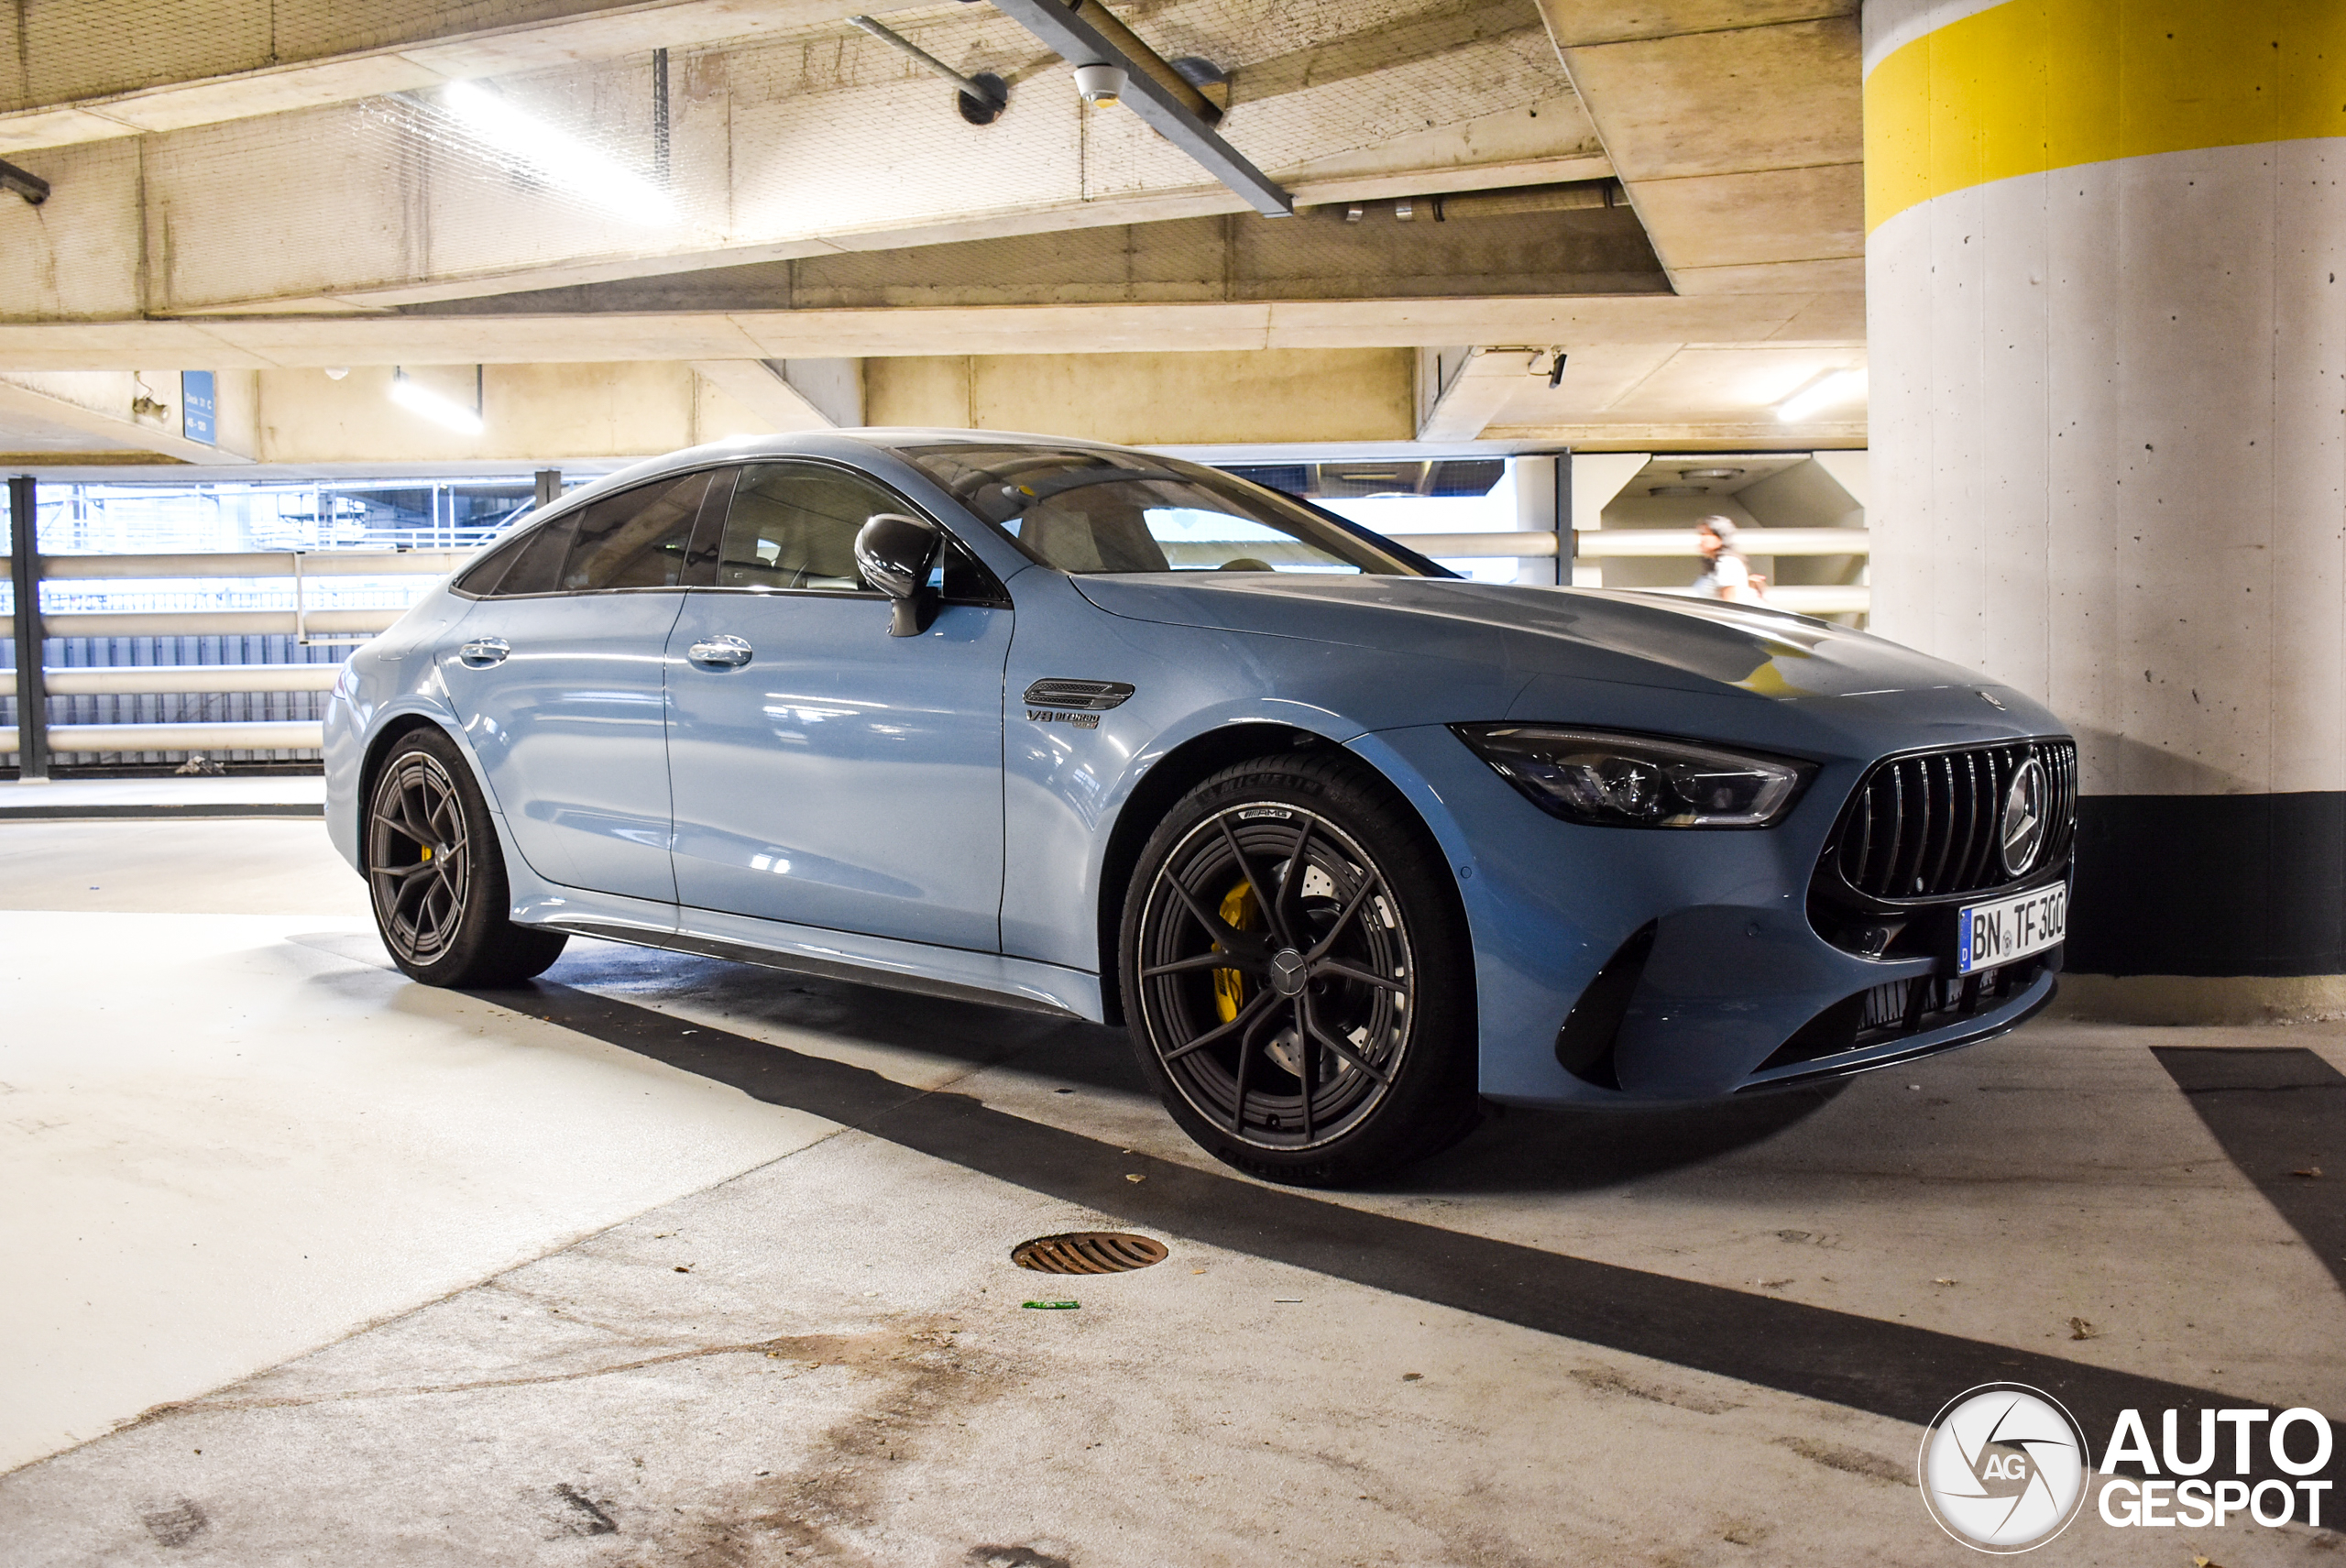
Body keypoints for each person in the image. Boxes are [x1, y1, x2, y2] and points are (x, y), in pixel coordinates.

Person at [1690, 516, 1767, 603]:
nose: (1702, 539)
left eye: (1706, 534)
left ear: (1721, 538)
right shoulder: (1718, 564)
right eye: (1701, 534)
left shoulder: (1727, 564)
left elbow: (1729, 604)